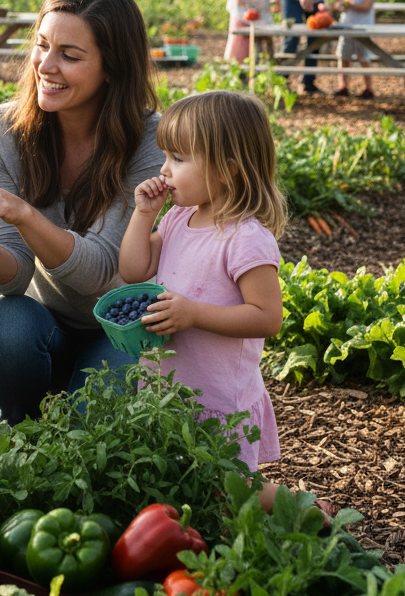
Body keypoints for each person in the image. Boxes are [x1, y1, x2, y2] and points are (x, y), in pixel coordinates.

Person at [0, 0, 164, 425]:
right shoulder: (0, 132)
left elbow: (99, 271)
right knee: (4, 326)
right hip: (42, 322)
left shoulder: (151, 140)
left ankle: (75, 413)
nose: (46, 65)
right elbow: (13, 277)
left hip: (119, 328)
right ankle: (22, 426)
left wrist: (23, 212)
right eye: (42, 46)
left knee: (90, 433)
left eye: (70, 55)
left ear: (112, 68)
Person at [118, 90, 307, 513]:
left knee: (225, 487)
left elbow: (267, 317)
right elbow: (133, 269)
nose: (165, 170)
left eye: (179, 159)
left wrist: (194, 314)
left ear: (227, 170)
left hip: (218, 398)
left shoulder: (246, 239)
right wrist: (144, 214)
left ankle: (300, 507)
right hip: (166, 386)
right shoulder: (178, 218)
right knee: (175, 478)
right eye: (166, 156)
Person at [331, 0, 379, 99]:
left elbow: (366, 6)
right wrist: (337, 6)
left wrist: (349, 5)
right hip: (345, 26)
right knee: (343, 57)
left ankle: (368, 88)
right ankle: (343, 86)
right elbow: (338, 2)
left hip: (362, 29)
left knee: (363, 58)